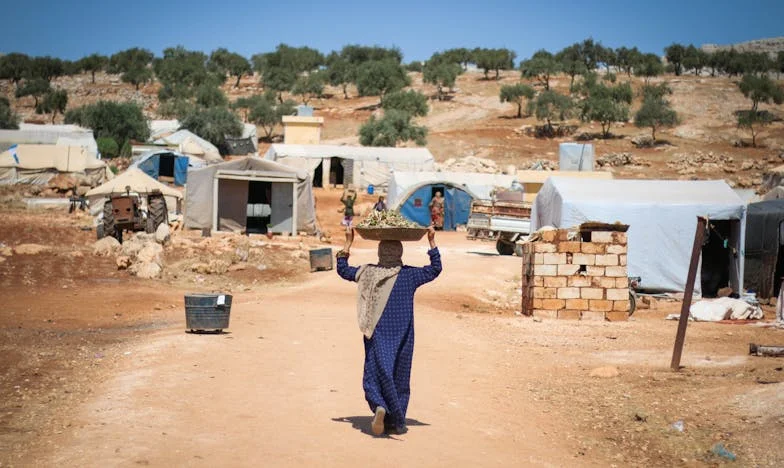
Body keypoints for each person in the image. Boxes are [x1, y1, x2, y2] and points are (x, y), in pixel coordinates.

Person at [336, 227, 441, 435]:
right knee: (400, 374)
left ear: (380, 253)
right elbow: (435, 269)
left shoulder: (367, 273)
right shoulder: (410, 275)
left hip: (377, 333)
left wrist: (348, 242)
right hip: (403, 335)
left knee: (375, 371)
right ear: (400, 253)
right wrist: (431, 241)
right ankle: (396, 420)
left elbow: (342, 269)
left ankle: (379, 405)